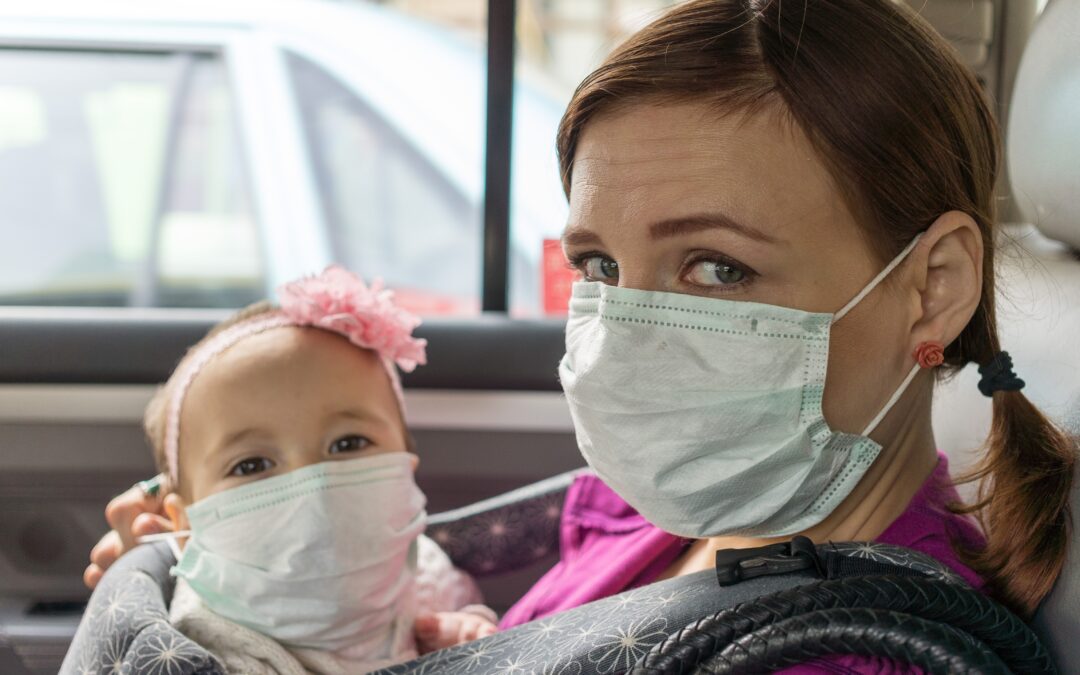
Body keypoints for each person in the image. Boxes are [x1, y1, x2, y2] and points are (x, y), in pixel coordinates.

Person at [88, 0, 1075, 671]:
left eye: (716, 267)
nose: (626, 331)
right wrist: (255, 594)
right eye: (599, 266)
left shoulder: (852, 647)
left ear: (930, 290)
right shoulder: (668, 505)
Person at [132, 266, 496, 674]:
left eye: (348, 443)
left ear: (406, 464)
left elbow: (462, 611)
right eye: (251, 465)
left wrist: (465, 631)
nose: (313, 486)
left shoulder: (421, 569)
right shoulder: (196, 647)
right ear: (183, 520)